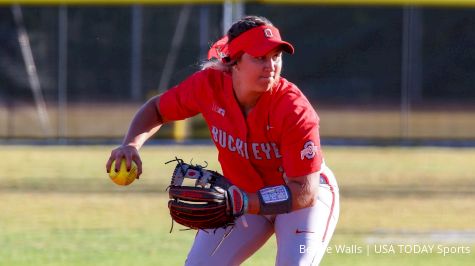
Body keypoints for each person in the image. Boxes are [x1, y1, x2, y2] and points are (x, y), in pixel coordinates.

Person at [106, 15, 339, 266]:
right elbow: (158, 110)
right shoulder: (208, 86)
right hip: (241, 195)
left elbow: (304, 191)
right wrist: (131, 144)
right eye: (260, 57)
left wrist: (244, 201)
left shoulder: (295, 110)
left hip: (300, 201)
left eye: (276, 56)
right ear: (234, 62)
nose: (271, 66)